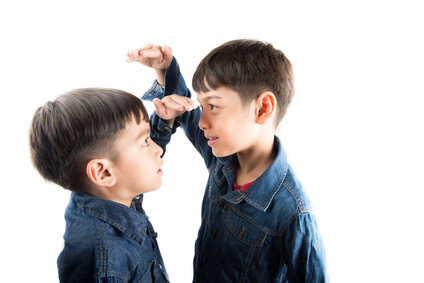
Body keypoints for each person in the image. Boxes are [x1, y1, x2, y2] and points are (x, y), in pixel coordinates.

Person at [128, 40, 328, 282]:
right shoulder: (221, 155)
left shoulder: (292, 212)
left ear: (262, 109)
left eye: (213, 106)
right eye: (202, 107)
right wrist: (165, 70)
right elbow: (184, 111)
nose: (202, 123)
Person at [29, 88, 170, 282]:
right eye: (146, 141)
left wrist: (165, 122)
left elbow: (135, 164)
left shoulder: (110, 193)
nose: (158, 149)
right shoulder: (106, 257)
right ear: (103, 173)